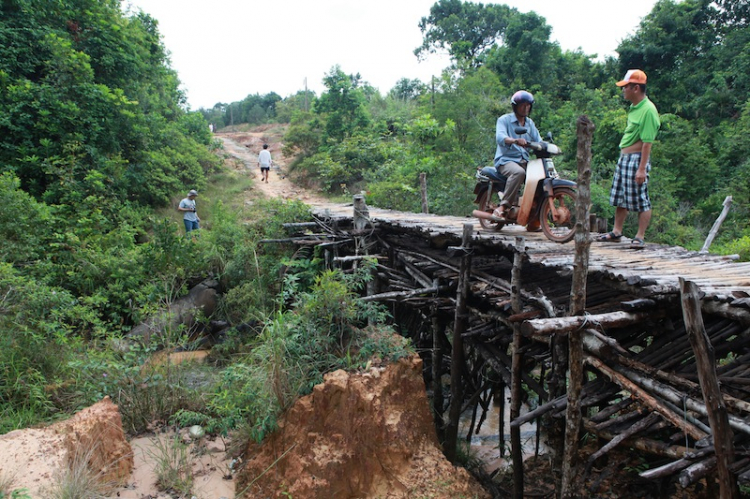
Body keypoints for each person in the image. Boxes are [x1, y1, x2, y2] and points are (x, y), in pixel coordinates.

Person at [598, 69, 660, 249]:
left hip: (637, 159)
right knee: (620, 197)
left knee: (641, 199)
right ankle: (617, 231)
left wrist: (641, 169)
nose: (623, 90)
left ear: (636, 88)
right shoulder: (634, 107)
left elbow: (647, 142)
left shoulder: (648, 110)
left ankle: (640, 236)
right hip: (625, 157)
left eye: (626, 87)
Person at [493, 90, 542, 225]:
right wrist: (514, 140)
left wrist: (548, 146)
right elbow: (500, 137)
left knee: (541, 178)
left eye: (528, 106)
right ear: (515, 106)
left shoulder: (529, 124)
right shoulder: (504, 120)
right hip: (506, 160)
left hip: (524, 160)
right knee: (518, 172)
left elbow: (538, 140)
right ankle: (502, 207)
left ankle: (534, 216)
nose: (526, 108)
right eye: (523, 105)